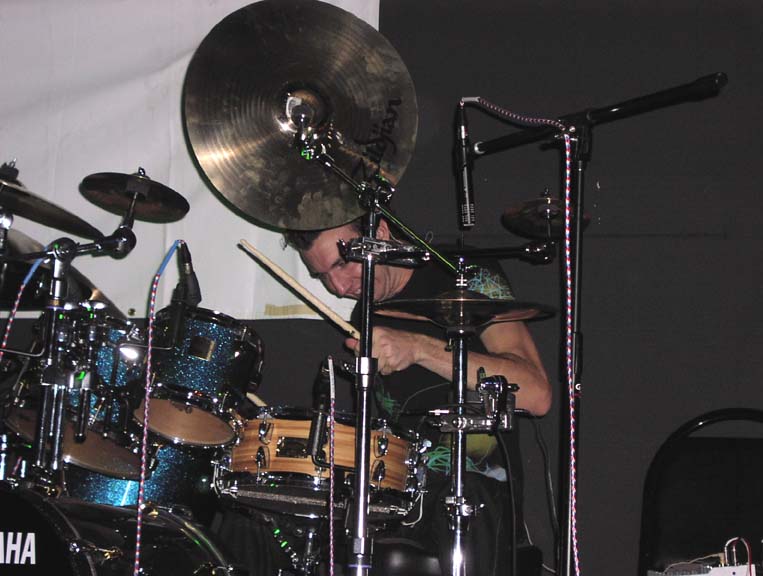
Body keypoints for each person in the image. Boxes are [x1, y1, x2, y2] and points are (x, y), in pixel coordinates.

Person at [285, 217, 552, 575]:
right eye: (322, 276)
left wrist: (420, 348)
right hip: (405, 503)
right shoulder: (366, 315)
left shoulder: (462, 273)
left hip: (476, 500)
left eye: (342, 263)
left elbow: (537, 393)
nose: (338, 287)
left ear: (380, 233)